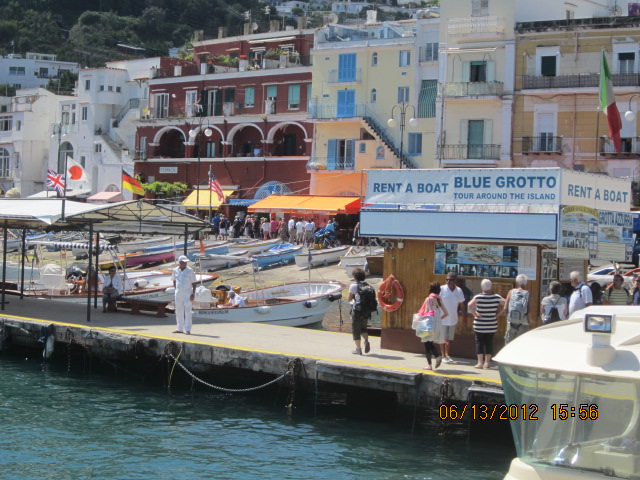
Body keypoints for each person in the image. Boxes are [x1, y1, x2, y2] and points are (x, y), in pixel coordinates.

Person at [468, 279, 505, 369]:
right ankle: (487, 362)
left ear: (481, 287)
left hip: (479, 324)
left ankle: (480, 363)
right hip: (491, 324)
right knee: (489, 342)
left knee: (479, 342)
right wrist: (499, 314)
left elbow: (469, 305)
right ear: (491, 287)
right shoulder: (496, 297)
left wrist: (475, 314)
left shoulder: (478, 297)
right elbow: (506, 304)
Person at [419, 282, 449, 370]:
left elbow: (426, 312)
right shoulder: (439, 300)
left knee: (427, 343)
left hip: (429, 324)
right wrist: (438, 319)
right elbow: (446, 313)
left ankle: (433, 361)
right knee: (430, 343)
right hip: (437, 324)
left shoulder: (428, 299)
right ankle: (436, 358)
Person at [439, 273, 465, 363]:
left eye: (450, 280)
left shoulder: (459, 290)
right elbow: (434, 301)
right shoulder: (441, 289)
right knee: (442, 338)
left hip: (453, 319)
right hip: (442, 318)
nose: (448, 281)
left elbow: (462, 304)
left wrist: (464, 317)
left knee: (448, 339)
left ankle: (447, 355)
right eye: (447, 280)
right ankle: (443, 355)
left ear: (455, 280)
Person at [171, 255, 198, 335]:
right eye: (183, 262)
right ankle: (179, 328)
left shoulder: (190, 270)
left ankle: (188, 329)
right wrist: (176, 289)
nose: (185, 264)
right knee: (178, 311)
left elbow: (194, 283)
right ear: (180, 262)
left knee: (188, 311)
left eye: (186, 262)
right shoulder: (175, 270)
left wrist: (193, 293)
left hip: (187, 294)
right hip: (178, 294)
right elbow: (174, 280)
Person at [348, 267, 371, 355]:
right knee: (363, 328)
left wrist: (353, 301)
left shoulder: (353, 286)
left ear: (355, 276)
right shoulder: (368, 285)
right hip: (366, 310)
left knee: (355, 330)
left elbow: (349, 299)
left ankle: (358, 349)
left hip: (357, 310)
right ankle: (366, 340)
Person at [503, 274, 531, 344]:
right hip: (523, 322)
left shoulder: (511, 292)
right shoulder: (528, 293)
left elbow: (505, 308)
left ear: (517, 282)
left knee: (509, 345)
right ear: (526, 283)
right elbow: (529, 310)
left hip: (511, 322)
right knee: (521, 344)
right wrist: (529, 321)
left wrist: (508, 318)